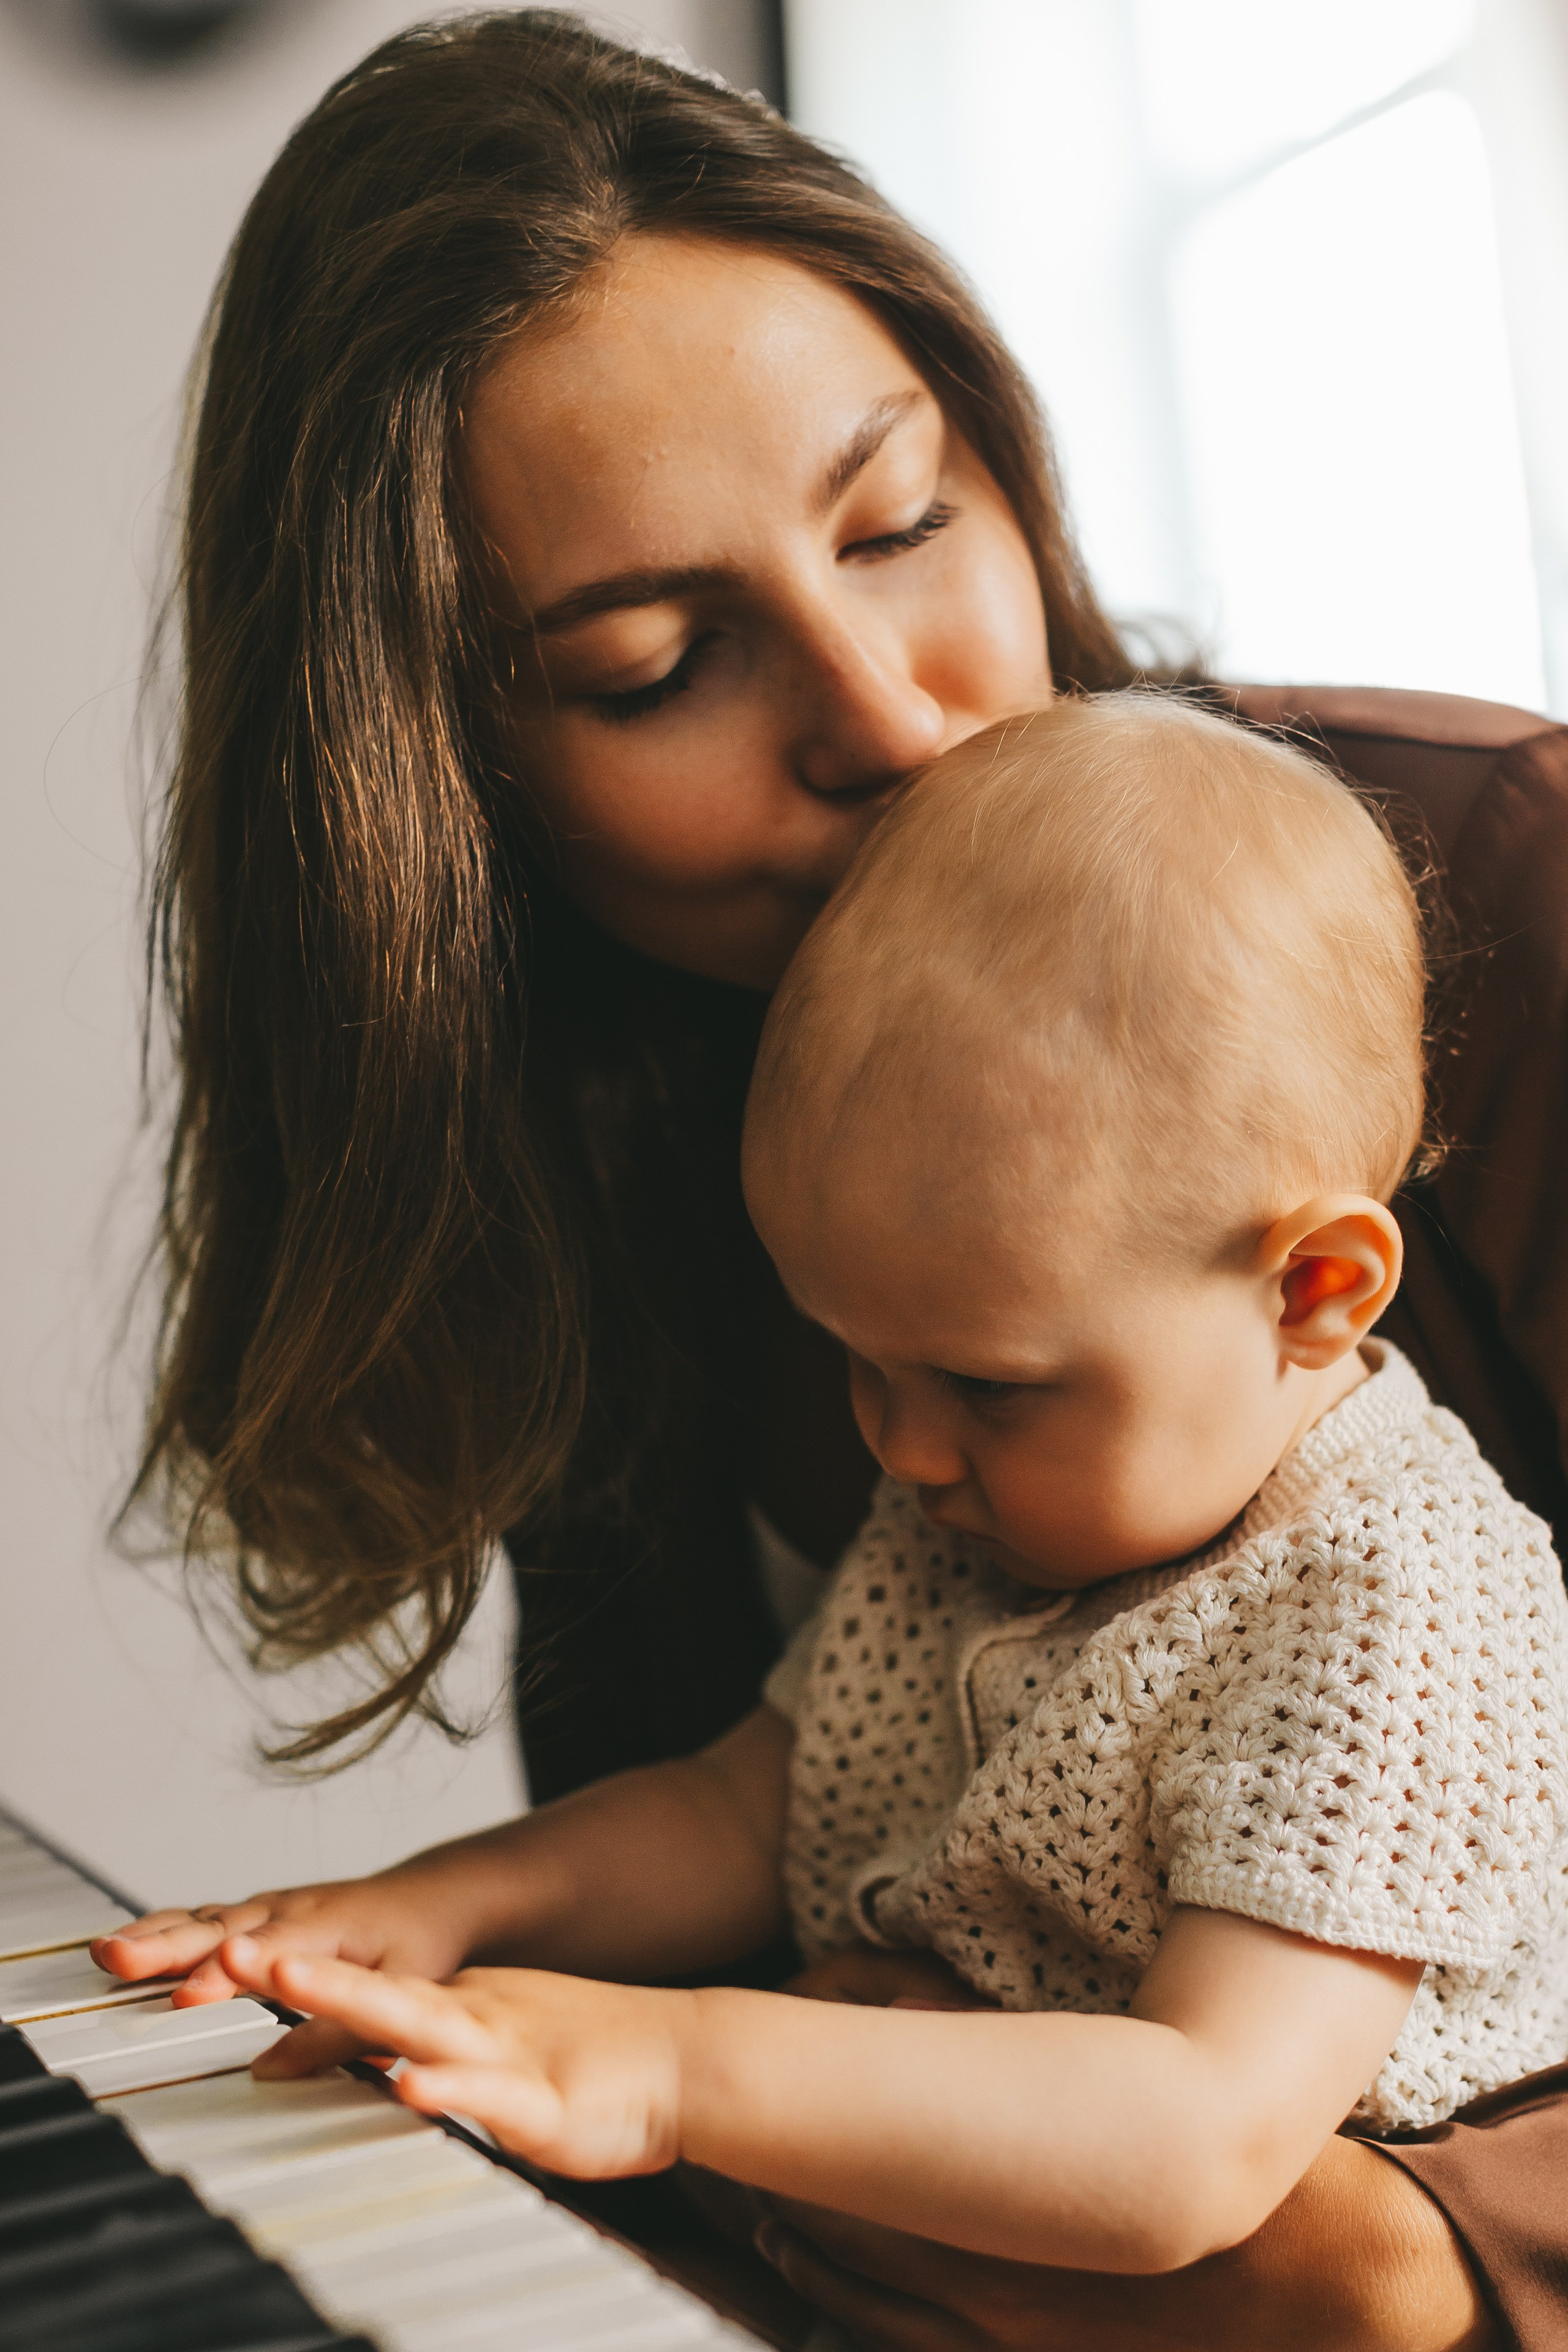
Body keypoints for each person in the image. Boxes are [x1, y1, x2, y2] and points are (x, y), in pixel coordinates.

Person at [109, 10, 1568, 2346]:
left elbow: (1230, 2195)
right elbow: (750, 1815)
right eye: (660, 660)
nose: (895, 717)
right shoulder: (640, 1149)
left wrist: (1419, 2266)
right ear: (442, 788)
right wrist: (461, 1919)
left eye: (905, 522)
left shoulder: (1511, 904)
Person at [124, 696, 1568, 2288]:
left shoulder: (1401, 1617)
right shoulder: (1001, 1498)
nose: (902, 1448)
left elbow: (1197, 2137)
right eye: (856, 1365)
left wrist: (676, 2070)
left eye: (986, 1385)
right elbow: (754, 1802)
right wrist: (448, 1912)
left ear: (1314, 1288)